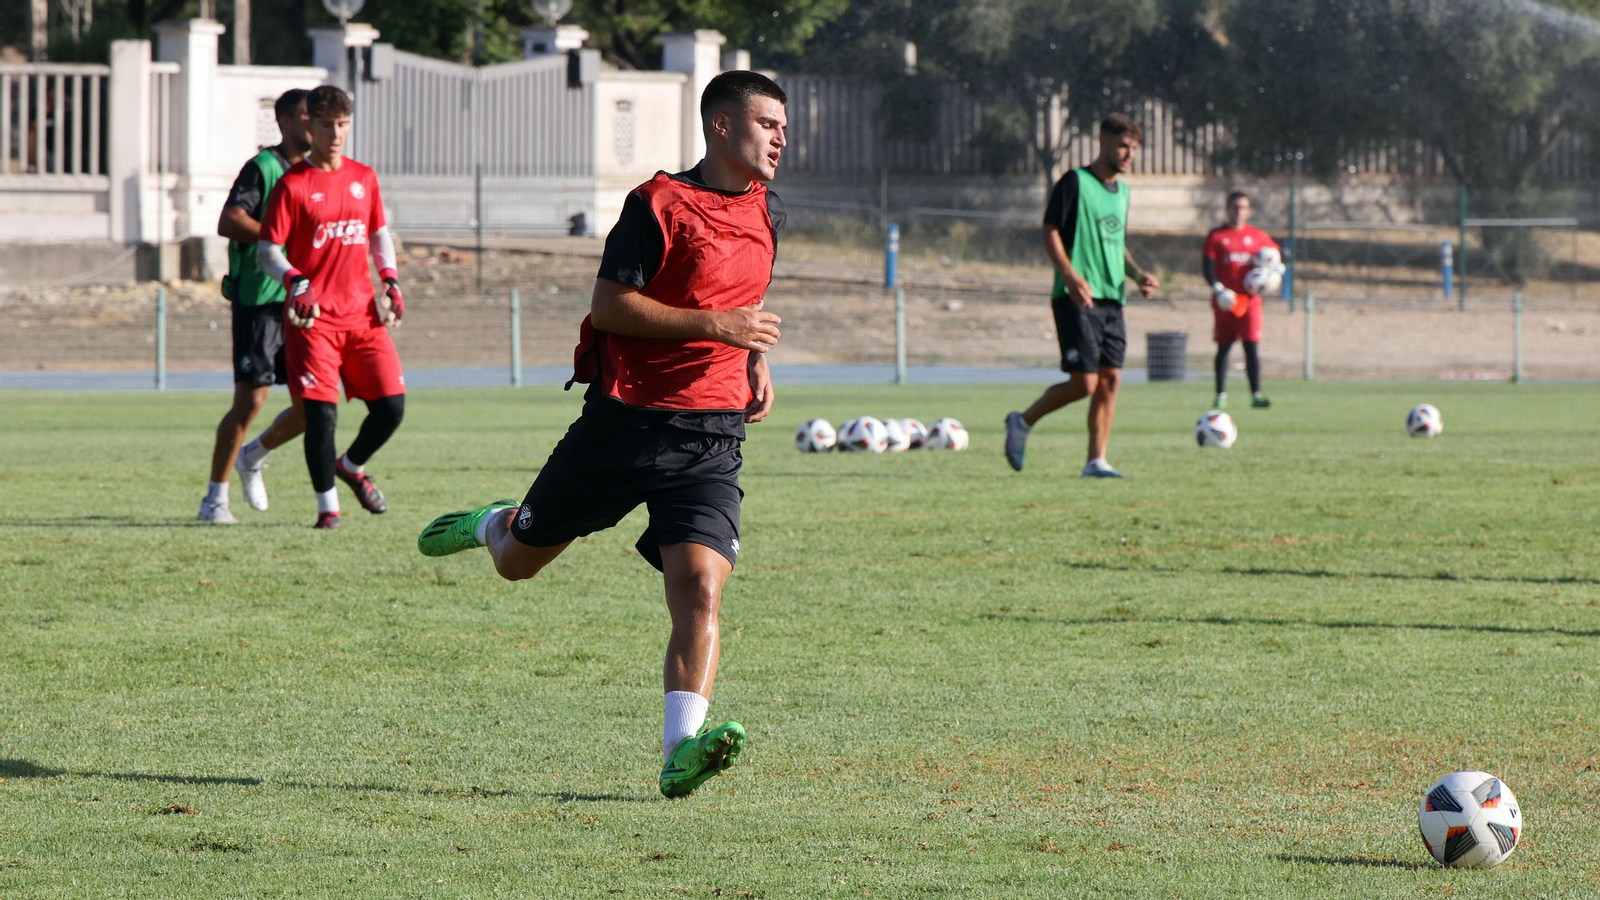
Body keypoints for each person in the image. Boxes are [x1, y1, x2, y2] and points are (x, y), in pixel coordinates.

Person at [416, 70, 788, 799]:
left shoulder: (770, 210)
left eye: (783, 127)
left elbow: (743, 295)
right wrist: (721, 328)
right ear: (721, 126)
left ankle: (681, 751)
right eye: (768, 123)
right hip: (623, 424)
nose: (781, 138)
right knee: (518, 564)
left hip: (713, 433)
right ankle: (493, 523)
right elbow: (612, 307)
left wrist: (755, 357)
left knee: (700, 586)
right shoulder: (656, 205)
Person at [256, 85, 406, 530]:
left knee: (392, 407)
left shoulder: (364, 177)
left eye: (343, 124)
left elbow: (378, 234)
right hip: (313, 320)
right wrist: (295, 279)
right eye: (327, 125)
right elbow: (267, 250)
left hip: (362, 316)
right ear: (311, 126)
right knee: (321, 414)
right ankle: (328, 510)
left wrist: (391, 281)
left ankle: (352, 467)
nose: (336, 133)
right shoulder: (293, 184)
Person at [1003, 113, 1160, 477]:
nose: (1128, 155)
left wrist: (1137, 275)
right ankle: (1022, 422)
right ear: (1103, 142)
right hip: (1076, 298)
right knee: (1084, 383)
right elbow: (1050, 231)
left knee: (1111, 380)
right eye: (1123, 146)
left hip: (1112, 298)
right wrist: (1070, 275)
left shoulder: (1123, 193)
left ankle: (1096, 460)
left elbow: (1115, 243)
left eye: (1134, 148)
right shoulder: (1074, 182)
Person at [198, 88, 312, 524]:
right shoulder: (263, 167)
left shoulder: (319, 175)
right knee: (250, 401)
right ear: (284, 120)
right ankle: (214, 499)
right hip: (261, 299)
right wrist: (276, 234)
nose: (312, 124)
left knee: (313, 406)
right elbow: (229, 219)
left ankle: (254, 455)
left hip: (303, 303)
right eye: (305, 115)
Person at [1204, 191, 1280, 409]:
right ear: (1227, 209)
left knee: (1251, 348)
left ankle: (1256, 394)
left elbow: (1275, 259)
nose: (1239, 211)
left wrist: (1275, 273)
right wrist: (1218, 289)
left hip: (1251, 302)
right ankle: (1220, 395)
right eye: (1235, 207)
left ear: (1248, 211)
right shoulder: (1216, 236)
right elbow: (1207, 269)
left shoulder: (1257, 236)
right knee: (1224, 348)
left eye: (1243, 207)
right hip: (1226, 301)